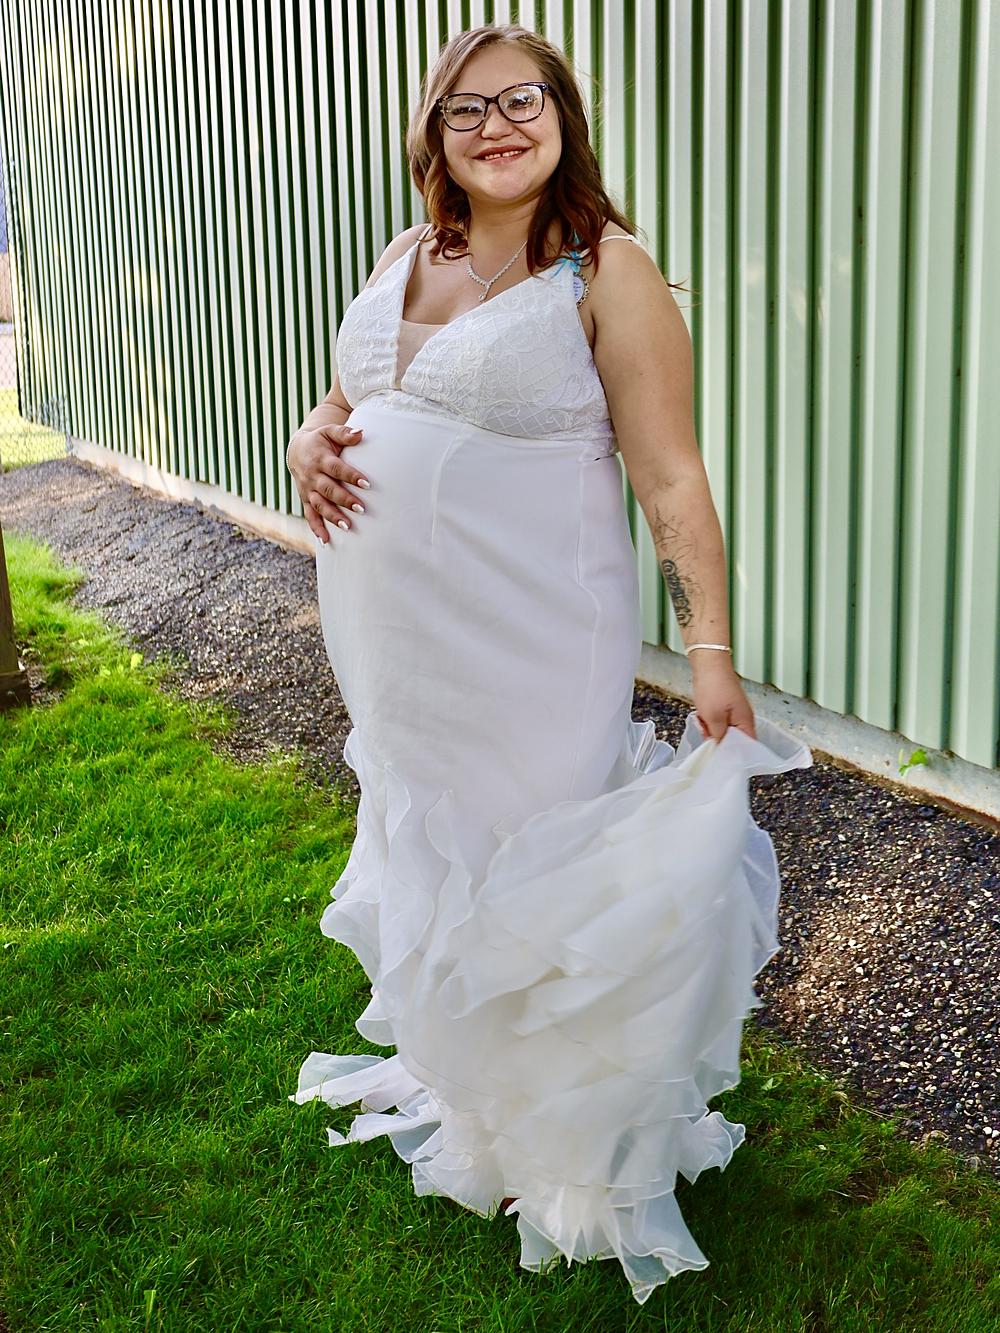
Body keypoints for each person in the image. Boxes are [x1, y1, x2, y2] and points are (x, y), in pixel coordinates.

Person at [286, 23, 812, 1305]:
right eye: (466, 109)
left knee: (540, 852)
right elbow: (363, 396)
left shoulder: (604, 268)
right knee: (440, 842)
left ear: (562, 115)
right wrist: (310, 432)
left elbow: (670, 475)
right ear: (435, 136)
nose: (497, 126)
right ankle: (472, 1081)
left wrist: (709, 654)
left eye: (521, 100)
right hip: (400, 647)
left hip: (532, 631)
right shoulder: (410, 251)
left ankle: (565, 1132)